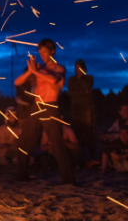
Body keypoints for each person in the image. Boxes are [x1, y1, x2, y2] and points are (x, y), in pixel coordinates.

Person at [13, 38, 75, 185]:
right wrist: (30, 72)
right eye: (40, 52)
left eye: (45, 52)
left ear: (52, 51)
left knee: (57, 144)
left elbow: (53, 80)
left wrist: (36, 71)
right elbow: (17, 82)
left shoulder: (60, 68)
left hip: (50, 106)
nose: (42, 55)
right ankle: (22, 178)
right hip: (36, 107)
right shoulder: (38, 69)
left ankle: (69, 181)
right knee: (23, 142)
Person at [67, 60, 96, 161]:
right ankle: (78, 156)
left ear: (84, 68)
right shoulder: (71, 79)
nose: (77, 70)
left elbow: (88, 86)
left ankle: (91, 155)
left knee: (88, 131)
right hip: (76, 109)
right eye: (76, 68)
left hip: (87, 108)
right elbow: (70, 92)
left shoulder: (89, 78)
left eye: (79, 68)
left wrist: (81, 78)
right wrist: (84, 92)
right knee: (77, 131)